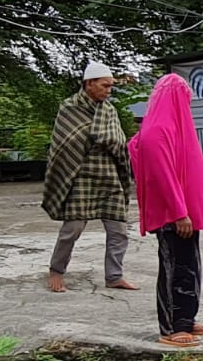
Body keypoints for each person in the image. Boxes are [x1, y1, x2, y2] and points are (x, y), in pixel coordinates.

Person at [128, 74, 203, 348]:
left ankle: (186, 319)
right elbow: (162, 176)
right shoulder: (157, 131)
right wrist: (179, 212)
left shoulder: (173, 128)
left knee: (189, 268)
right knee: (173, 269)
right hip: (173, 217)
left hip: (185, 214)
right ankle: (171, 326)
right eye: (184, 98)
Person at [42, 62, 135, 293]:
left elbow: (118, 141)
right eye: (105, 85)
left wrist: (107, 141)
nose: (108, 90)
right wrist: (99, 138)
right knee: (71, 229)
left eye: (111, 86)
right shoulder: (69, 107)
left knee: (119, 230)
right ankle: (56, 271)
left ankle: (114, 276)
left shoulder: (109, 110)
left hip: (108, 174)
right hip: (80, 175)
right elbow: (65, 144)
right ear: (89, 84)